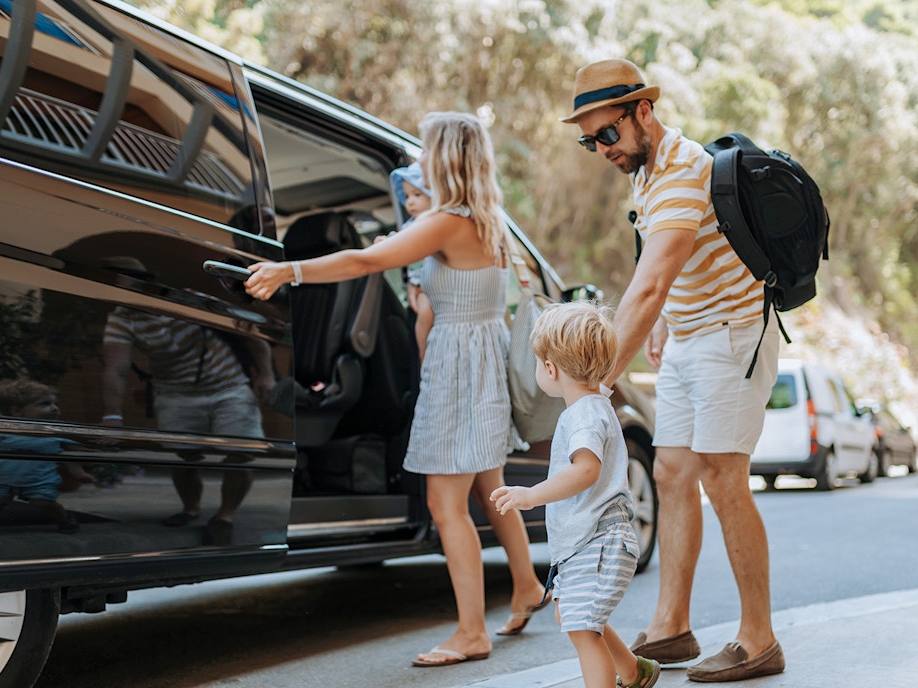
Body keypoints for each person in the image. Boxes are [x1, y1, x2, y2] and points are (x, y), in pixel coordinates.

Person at [244, 111, 548, 666]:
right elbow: (436, 297)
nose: (420, 159)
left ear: (446, 157)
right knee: (491, 488)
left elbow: (365, 260)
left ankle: (472, 632)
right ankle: (526, 585)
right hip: (481, 361)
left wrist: (290, 271)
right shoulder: (486, 221)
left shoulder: (446, 221)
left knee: (444, 503)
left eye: (427, 149)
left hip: (458, 370)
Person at [560, 58, 785, 682]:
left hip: (732, 336)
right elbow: (669, 267)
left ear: (644, 112)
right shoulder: (647, 172)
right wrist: (664, 323)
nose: (602, 148)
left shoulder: (683, 170)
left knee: (722, 476)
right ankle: (671, 627)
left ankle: (759, 638)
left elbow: (649, 283)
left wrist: (597, 381)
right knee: (671, 472)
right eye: (590, 140)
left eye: (608, 133)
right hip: (689, 338)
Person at [490, 301, 659, 688]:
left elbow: (586, 469)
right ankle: (634, 672)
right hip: (588, 542)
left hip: (599, 541)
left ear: (550, 369)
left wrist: (531, 495)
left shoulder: (582, 414)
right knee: (579, 618)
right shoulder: (596, 402)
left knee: (583, 627)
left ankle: (624, 676)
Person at [101, 256, 275, 545]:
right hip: (175, 392)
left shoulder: (187, 299)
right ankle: (190, 508)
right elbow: (115, 368)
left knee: (240, 453)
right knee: (184, 456)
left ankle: (225, 516)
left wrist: (266, 374)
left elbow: (247, 329)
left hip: (228, 385)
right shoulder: (121, 318)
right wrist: (112, 415)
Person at [0, 380, 80, 536]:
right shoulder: (2, 433)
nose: (54, 408)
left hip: (39, 480)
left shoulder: (56, 434)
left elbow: (70, 455)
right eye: (45, 404)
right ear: (17, 411)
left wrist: (79, 473)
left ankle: (64, 519)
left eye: (55, 403)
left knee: (43, 502)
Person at [389, 161, 436, 361]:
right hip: (420, 285)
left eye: (417, 195)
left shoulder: (436, 223)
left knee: (425, 313)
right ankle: (423, 355)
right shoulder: (410, 226)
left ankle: (426, 355)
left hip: (434, 284)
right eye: (407, 196)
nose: (410, 202)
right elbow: (399, 242)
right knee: (423, 314)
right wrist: (386, 242)